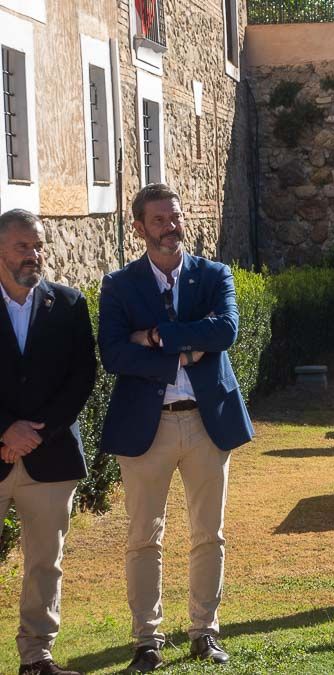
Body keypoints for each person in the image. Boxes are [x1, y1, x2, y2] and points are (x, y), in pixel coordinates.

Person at [98, 184, 254, 672]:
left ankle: (205, 632)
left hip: (208, 423)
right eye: (160, 221)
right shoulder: (119, 286)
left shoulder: (213, 275)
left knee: (210, 533)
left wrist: (159, 337)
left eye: (176, 218)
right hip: (148, 429)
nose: (171, 228)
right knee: (144, 535)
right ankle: (147, 639)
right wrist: (186, 348)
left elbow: (225, 331)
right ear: (139, 227)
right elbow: (114, 354)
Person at [0, 210, 96, 675]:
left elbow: (82, 379)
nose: (33, 255)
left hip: (50, 454)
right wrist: (5, 431)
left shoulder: (71, 304)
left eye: (38, 246)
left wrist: (34, 434)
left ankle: (37, 656)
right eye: (23, 246)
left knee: (45, 563)